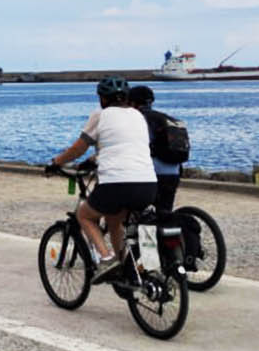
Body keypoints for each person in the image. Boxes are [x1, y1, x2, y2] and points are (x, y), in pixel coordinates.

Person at [47, 77, 158, 282]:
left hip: (116, 184)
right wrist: (98, 159)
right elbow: (125, 146)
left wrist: (56, 162)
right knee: (114, 220)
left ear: (103, 99)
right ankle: (126, 268)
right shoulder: (138, 116)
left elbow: (78, 148)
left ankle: (106, 259)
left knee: (84, 215)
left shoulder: (100, 115)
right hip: (149, 184)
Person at [129, 84, 186, 218]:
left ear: (131, 102)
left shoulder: (138, 119)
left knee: (138, 214)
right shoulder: (165, 118)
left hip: (150, 173)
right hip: (174, 172)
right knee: (164, 215)